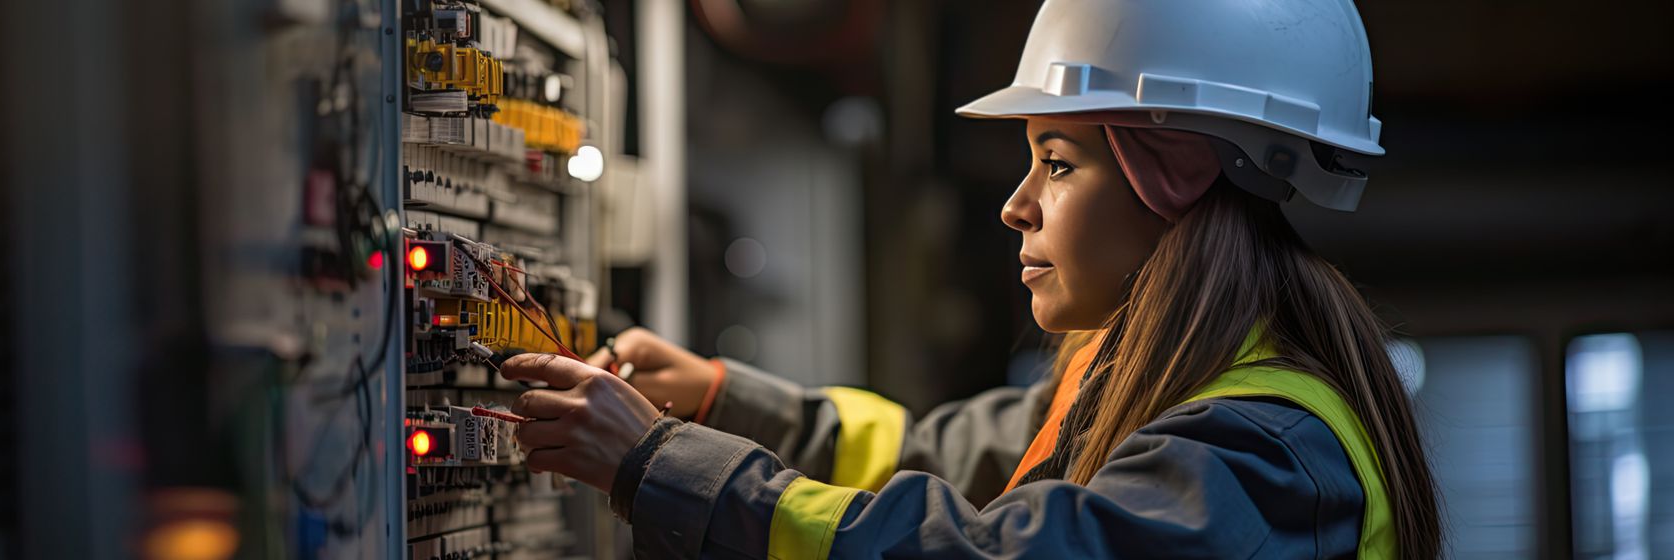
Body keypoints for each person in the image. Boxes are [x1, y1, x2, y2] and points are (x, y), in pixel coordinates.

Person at [497, 0, 1443, 557]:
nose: (1018, 205)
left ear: (1178, 170)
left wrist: (662, 463)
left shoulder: (1267, 453)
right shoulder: (1144, 377)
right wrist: (717, 399)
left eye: (1059, 161)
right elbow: (935, 458)